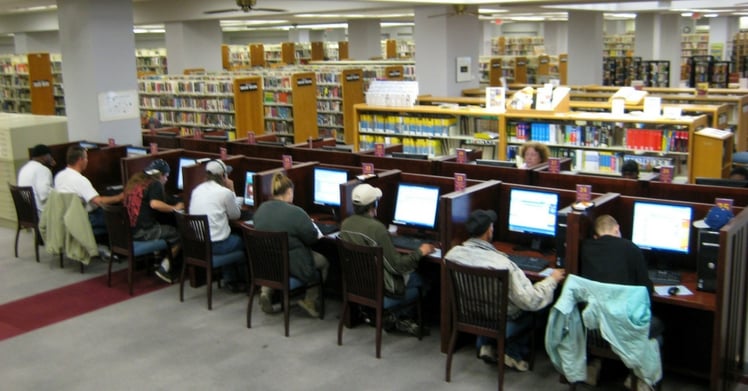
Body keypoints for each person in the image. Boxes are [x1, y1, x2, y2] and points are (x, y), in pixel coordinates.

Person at [444, 209, 566, 371]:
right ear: (489, 231)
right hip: (500, 321)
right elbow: (531, 301)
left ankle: (486, 344)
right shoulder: (503, 264)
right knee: (544, 302)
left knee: (491, 299)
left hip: (470, 316)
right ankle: (512, 353)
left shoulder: (452, 255)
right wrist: (552, 280)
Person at [339, 183, 436, 336]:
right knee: (426, 279)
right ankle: (397, 317)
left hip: (357, 287)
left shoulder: (345, 224)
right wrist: (420, 252)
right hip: (381, 290)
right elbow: (397, 266)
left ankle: (393, 317)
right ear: (374, 204)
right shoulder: (377, 229)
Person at [579, 214, 663, 387]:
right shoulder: (631, 248)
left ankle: (595, 364)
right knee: (657, 328)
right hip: (626, 328)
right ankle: (641, 378)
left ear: (596, 235)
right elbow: (645, 291)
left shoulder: (585, 248)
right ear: (617, 229)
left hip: (594, 329)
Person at [252, 172, 329, 318]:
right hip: (292, 261)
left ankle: (266, 292)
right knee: (323, 262)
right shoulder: (296, 213)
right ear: (288, 192)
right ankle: (310, 301)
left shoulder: (261, 209)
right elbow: (312, 238)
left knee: (277, 257)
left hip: (268, 262)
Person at [123, 159, 184, 283]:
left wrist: (173, 201)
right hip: (143, 231)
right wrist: (175, 208)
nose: (166, 180)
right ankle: (164, 268)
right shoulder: (155, 183)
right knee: (180, 234)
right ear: (160, 175)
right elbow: (155, 204)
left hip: (129, 230)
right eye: (166, 176)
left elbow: (161, 198)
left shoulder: (137, 181)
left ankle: (157, 260)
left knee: (164, 225)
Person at [189, 159, 245, 292]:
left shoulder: (197, 189)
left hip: (198, 245)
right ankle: (241, 281)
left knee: (226, 234)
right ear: (223, 176)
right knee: (241, 240)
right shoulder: (224, 193)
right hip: (216, 246)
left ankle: (230, 279)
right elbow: (235, 215)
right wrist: (232, 190)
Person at [54, 144, 123, 231]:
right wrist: (119, 197)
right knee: (118, 217)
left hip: (66, 217)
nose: (87, 161)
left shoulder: (59, 176)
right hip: (84, 218)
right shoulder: (80, 180)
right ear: (80, 160)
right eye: (86, 158)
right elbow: (99, 201)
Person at [17, 144, 56, 216]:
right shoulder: (43, 170)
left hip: (27, 212)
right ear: (44, 157)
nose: (51, 158)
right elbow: (44, 194)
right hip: (40, 213)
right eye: (49, 155)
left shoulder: (24, 169)